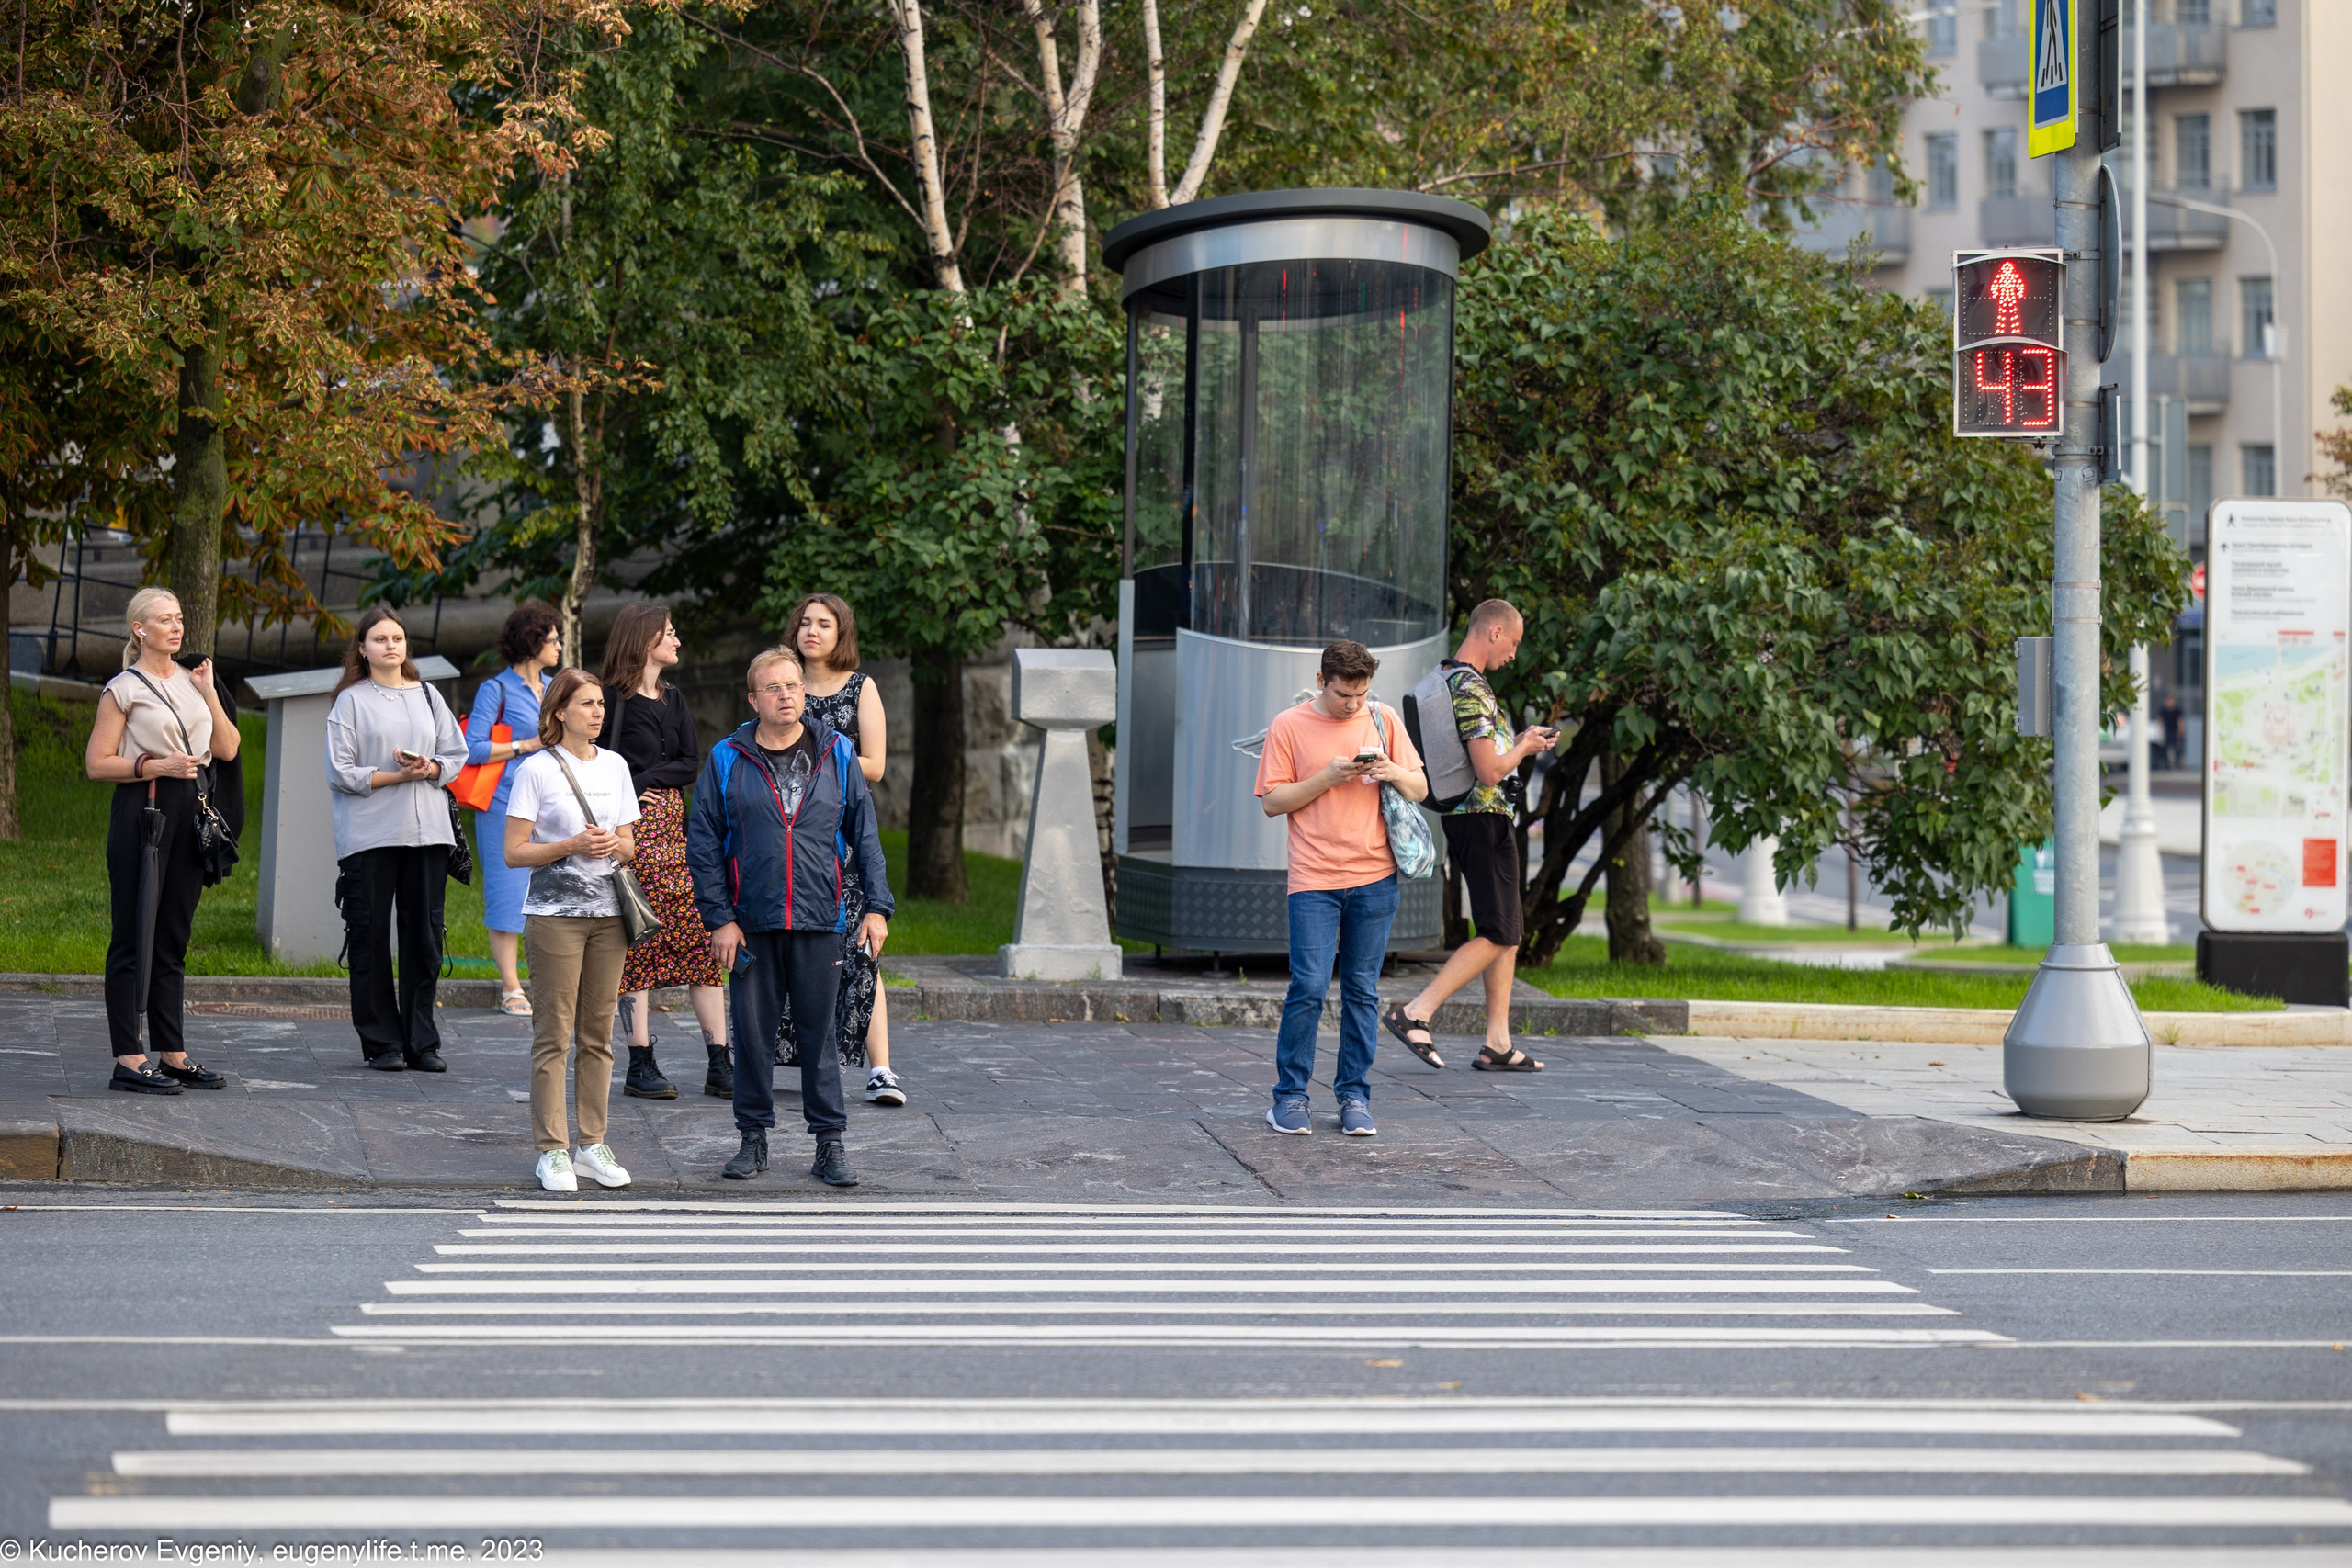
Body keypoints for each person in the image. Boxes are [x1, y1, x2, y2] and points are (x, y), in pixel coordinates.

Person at [686, 648, 894, 1187]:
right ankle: (752, 1139)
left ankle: (830, 1143)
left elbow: (864, 834)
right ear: (754, 699)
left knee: (818, 1034)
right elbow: (704, 844)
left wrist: (876, 906)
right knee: (751, 1036)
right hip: (750, 921)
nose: (786, 695)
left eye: (793, 685)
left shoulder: (838, 752)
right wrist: (719, 919)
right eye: (773, 688)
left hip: (819, 915)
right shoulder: (727, 758)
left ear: (804, 692)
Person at [1253, 639, 1428, 1138]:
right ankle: (1289, 1098)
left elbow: (1420, 788)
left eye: (1361, 693)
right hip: (1313, 879)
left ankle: (1354, 1095)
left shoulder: (1383, 718)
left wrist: (1389, 769)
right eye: (1342, 695)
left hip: (1375, 877)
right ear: (1320, 681)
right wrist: (1328, 777)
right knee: (1308, 986)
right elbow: (1272, 801)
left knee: (1361, 991)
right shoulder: (1289, 726)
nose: (1353, 705)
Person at [84, 587, 243, 1093]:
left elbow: (228, 747)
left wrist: (210, 690)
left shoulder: (194, 680)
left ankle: (173, 1053)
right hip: (144, 809)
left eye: (179, 619)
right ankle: (129, 1058)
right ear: (140, 630)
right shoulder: (122, 688)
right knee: (134, 932)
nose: (176, 627)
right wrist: (155, 764)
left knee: (173, 934)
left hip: (191, 810)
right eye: (165, 620)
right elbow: (97, 763)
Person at [1387, 599, 1557, 1073]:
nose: (1514, 655)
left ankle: (1497, 1042)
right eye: (1515, 643)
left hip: (1478, 820)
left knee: (1510, 930)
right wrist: (1523, 745)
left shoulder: (1452, 677)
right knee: (1499, 930)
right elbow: (1487, 772)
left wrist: (1521, 741)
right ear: (1495, 632)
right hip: (1481, 817)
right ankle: (1415, 1012)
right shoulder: (1470, 687)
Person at [503, 668, 640, 1192]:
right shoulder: (537, 769)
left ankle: (592, 1143)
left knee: (598, 1034)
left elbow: (630, 842)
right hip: (555, 916)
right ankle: (551, 1150)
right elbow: (514, 852)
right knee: (553, 1034)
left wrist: (612, 845)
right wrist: (569, 846)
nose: (598, 712)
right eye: (587, 704)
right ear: (560, 711)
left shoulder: (616, 766)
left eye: (601, 704)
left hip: (610, 915)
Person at [325, 607, 469, 1072]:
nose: (391, 645)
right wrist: (394, 775)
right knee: (369, 936)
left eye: (398, 638)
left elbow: (456, 752)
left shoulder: (428, 695)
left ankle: (421, 1042)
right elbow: (340, 772)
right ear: (362, 649)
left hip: (427, 833)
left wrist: (430, 769)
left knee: (425, 937)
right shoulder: (350, 701)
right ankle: (382, 1043)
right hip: (370, 836)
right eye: (380, 638)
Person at [599, 601, 729, 1100]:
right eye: (669, 633)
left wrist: (649, 778)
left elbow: (690, 762)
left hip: (674, 832)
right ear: (644, 640)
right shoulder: (611, 699)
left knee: (697, 939)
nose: (677, 641)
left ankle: (720, 1060)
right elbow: (600, 765)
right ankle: (640, 1062)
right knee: (640, 940)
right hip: (631, 833)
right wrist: (635, 789)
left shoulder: (673, 698)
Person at [779, 592, 903, 1107]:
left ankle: (881, 1070)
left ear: (840, 633)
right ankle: (791, 1057)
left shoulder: (860, 686)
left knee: (860, 944)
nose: (812, 631)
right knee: (787, 944)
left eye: (823, 624)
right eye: (805, 623)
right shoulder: (783, 681)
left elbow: (874, 764)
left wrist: (828, 755)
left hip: (842, 831)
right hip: (786, 831)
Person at [464, 604, 561, 1016]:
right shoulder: (496, 690)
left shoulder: (557, 685)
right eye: (553, 639)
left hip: (552, 804)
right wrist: (526, 745)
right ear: (532, 641)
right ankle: (511, 987)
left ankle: (551, 984)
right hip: (504, 804)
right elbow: (472, 747)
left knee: (553, 895)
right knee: (507, 894)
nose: (559, 646)